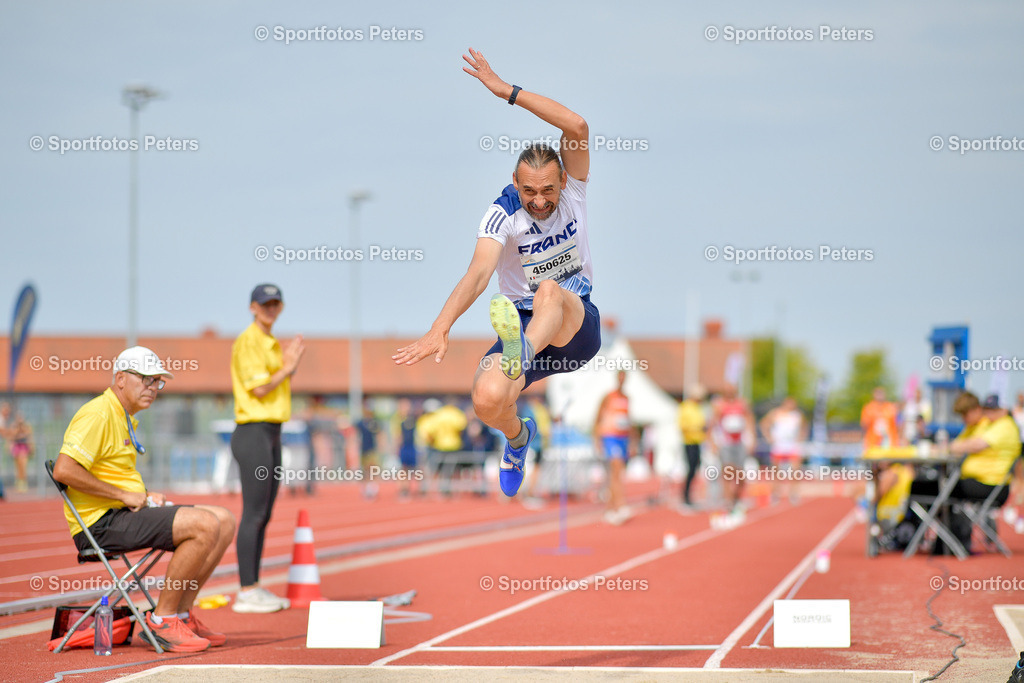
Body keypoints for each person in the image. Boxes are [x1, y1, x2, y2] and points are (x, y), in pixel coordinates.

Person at [393, 48, 600, 499]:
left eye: (548, 190)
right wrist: (438, 328)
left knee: (548, 289)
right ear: (514, 181)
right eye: (529, 191)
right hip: (525, 326)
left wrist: (508, 91)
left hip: (574, 325)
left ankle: (519, 355)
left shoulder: (575, 192)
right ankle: (519, 438)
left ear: (564, 181)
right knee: (486, 400)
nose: (540, 201)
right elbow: (478, 274)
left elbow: (577, 126)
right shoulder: (502, 213)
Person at [52, 347, 234, 652]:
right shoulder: (99, 413)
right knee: (204, 524)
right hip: (99, 523)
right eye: (146, 379)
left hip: (122, 512)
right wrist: (125, 495)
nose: (153, 388)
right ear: (120, 378)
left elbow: (113, 474)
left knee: (224, 520)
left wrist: (145, 497)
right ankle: (162, 620)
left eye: (157, 382)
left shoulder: (125, 416)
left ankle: (183, 616)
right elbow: (64, 469)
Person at [230, 283, 305, 613]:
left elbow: (275, 381)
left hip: (272, 432)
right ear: (252, 307)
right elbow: (260, 388)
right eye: (265, 303)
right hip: (253, 432)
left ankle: (254, 586)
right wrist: (287, 368)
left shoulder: (270, 342)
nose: (270, 308)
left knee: (265, 513)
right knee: (254, 512)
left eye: (276, 303)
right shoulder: (249, 341)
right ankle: (246, 589)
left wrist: (288, 365)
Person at [888, 391, 1020, 554]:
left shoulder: (1004, 426)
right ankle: (939, 537)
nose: (988, 413)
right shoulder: (988, 424)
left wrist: (947, 447)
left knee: (925, 488)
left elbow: (975, 444)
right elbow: (960, 444)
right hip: (979, 482)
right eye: (987, 409)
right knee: (926, 485)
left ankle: (913, 536)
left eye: (993, 410)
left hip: (989, 486)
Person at [595, 371, 632, 524]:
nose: (622, 380)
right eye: (620, 377)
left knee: (617, 473)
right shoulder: (608, 396)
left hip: (623, 438)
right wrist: (597, 438)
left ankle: (610, 509)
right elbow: (597, 417)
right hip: (610, 437)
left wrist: (632, 441)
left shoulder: (627, 399)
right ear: (617, 378)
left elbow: (629, 420)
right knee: (616, 468)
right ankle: (620, 505)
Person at [711, 385, 753, 512]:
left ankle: (737, 498)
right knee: (727, 472)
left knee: (740, 473)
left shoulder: (742, 404)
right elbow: (712, 424)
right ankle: (728, 500)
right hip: (726, 443)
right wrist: (712, 443)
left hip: (739, 443)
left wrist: (752, 439)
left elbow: (749, 419)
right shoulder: (719, 406)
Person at [759, 397, 807, 504]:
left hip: (792, 446)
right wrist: (768, 437)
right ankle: (775, 493)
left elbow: (804, 426)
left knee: (795, 471)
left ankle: (793, 493)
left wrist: (801, 437)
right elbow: (764, 423)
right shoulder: (776, 413)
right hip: (779, 446)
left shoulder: (797, 415)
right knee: (776, 472)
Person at [677, 386, 707, 510]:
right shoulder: (686, 407)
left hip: (698, 442)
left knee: (695, 468)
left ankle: (689, 493)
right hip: (689, 442)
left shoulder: (698, 408)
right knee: (691, 468)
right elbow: (683, 426)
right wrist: (697, 429)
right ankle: (686, 494)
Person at [861, 387, 900, 451]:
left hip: (889, 442)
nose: (880, 396)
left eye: (881, 393)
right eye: (878, 394)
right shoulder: (869, 408)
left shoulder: (890, 407)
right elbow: (864, 425)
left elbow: (897, 424)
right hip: (873, 442)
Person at [9, 412, 34, 492]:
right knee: (18, 466)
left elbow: (28, 435)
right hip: (17, 447)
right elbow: (12, 436)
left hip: (24, 447)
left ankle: (24, 482)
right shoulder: (14, 426)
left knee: (23, 465)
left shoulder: (26, 426)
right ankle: (19, 482)